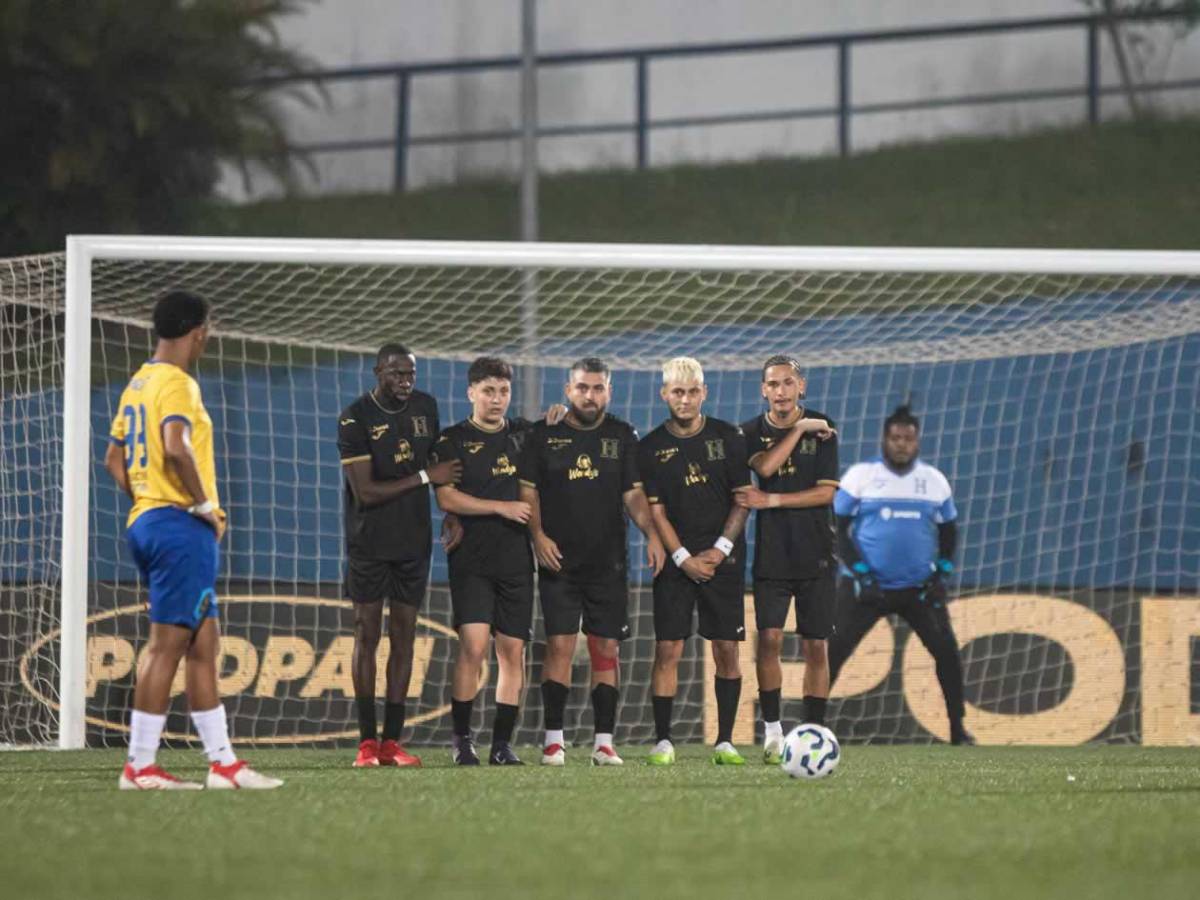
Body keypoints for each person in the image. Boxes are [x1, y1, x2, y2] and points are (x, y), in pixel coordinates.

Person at [104, 290, 281, 790]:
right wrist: (202, 506)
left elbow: (114, 460)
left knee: (204, 644)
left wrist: (148, 499)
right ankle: (140, 766)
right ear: (199, 332)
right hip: (180, 528)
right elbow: (176, 447)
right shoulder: (178, 383)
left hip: (149, 521)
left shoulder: (138, 383)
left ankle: (222, 764)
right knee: (166, 648)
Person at [519, 357, 665, 766]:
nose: (589, 395)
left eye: (598, 388)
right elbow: (528, 492)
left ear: (609, 392)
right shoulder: (544, 433)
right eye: (582, 387)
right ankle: (554, 741)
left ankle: (604, 743)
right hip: (558, 560)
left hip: (608, 562)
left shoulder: (622, 434)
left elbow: (633, 494)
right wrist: (538, 536)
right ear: (568, 390)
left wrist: (652, 534)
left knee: (606, 648)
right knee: (559, 646)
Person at [337, 343, 462, 768]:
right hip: (369, 542)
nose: (405, 382)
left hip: (413, 542)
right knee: (366, 634)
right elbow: (366, 492)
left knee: (405, 637)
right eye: (396, 374)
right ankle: (366, 744)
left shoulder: (425, 406)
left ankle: (391, 743)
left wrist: (450, 512)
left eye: (410, 374)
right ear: (378, 372)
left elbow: (440, 464)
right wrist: (426, 476)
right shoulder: (355, 418)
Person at [828, 405, 973, 745]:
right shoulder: (860, 477)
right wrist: (861, 573)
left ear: (917, 441)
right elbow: (837, 529)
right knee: (832, 652)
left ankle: (958, 730)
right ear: (884, 439)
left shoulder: (934, 481)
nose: (902, 444)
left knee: (947, 653)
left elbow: (949, 531)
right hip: (866, 588)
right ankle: (809, 725)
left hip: (918, 590)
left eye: (908, 438)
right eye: (895, 438)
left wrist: (942, 572)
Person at [638, 357, 752, 766]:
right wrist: (683, 558)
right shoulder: (650, 447)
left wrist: (720, 550)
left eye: (691, 392)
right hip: (677, 561)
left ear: (704, 393)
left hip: (723, 560)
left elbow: (743, 500)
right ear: (664, 394)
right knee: (668, 648)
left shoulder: (729, 437)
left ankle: (725, 742)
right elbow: (656, 511)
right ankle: (663, 741)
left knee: (727, 649)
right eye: (677, 392)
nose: (684, 400)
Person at [430, 357, 537, 766]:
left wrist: (557, 415)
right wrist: (501, 507)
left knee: (512, 652)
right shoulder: (452, 440)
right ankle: (462, 741)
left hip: (516, 559)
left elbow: (557, 437)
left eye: (504, 391)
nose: (497, 399)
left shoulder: (524, 434)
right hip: (472, 560)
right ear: (471, 392)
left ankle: (502, 745)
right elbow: (446, 497)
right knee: (473, 648)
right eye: (488, 391)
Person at [737, 355, 839, 764]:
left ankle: (815, 733)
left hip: (817, 553)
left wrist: (773, 501)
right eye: (773, 384)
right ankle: (774, 733)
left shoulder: (824, 426)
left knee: (816, 646)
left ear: (802, 387)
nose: (781, 391)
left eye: (788, 383)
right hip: (772, 555)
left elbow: (826, 493)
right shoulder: (750, 432)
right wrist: (798, 429)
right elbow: (765, 467)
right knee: (770, 641)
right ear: (764, 390)